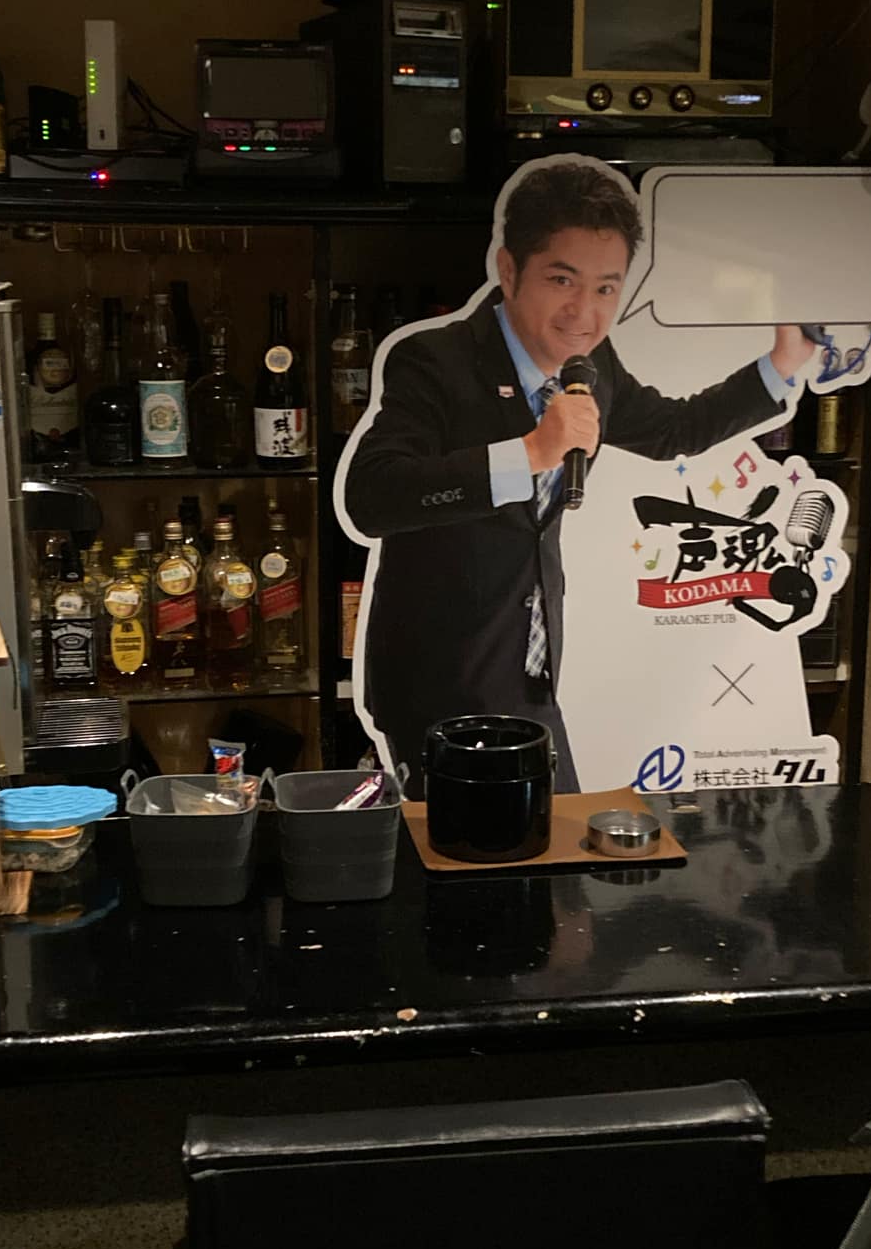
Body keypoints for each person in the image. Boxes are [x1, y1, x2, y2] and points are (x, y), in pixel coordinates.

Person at [342, 158, 815, 790]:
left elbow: (672, 429)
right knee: (471, 853)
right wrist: (530, 452)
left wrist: (783, 363)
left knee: (553, 841)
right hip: (440, 684)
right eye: (562, 280)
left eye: (606, 289)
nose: (583, 313)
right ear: (509, 269)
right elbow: (373, 495)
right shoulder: (436, 360)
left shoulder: (592, 366)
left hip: (529, 677)